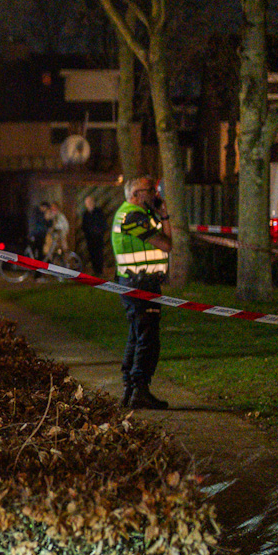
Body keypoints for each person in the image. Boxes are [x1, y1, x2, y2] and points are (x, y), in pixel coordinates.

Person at [111, 175, 173, 410]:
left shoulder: (141, 215)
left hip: (140, 284)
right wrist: (163, 215)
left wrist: (163, 214)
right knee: (147, 338)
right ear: (136, 194)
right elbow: (167, 244)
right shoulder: (133, 216)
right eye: (150, 190)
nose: (155, 194)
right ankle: (139, 388)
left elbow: (168, 242)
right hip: (139, 285)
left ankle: (130, 387)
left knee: (138, 335)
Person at [80, 193, 110, 276]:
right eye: (87, 203)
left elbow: (103, 223)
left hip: (98, 237)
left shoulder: (99, 212)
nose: (88, 204)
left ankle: (99, 271)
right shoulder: (85, 214)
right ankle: (95, 270)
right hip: (89, 238)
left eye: (89, 202)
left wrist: (99, 232)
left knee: (99, 254)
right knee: (92, 254)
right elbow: (84, 225)